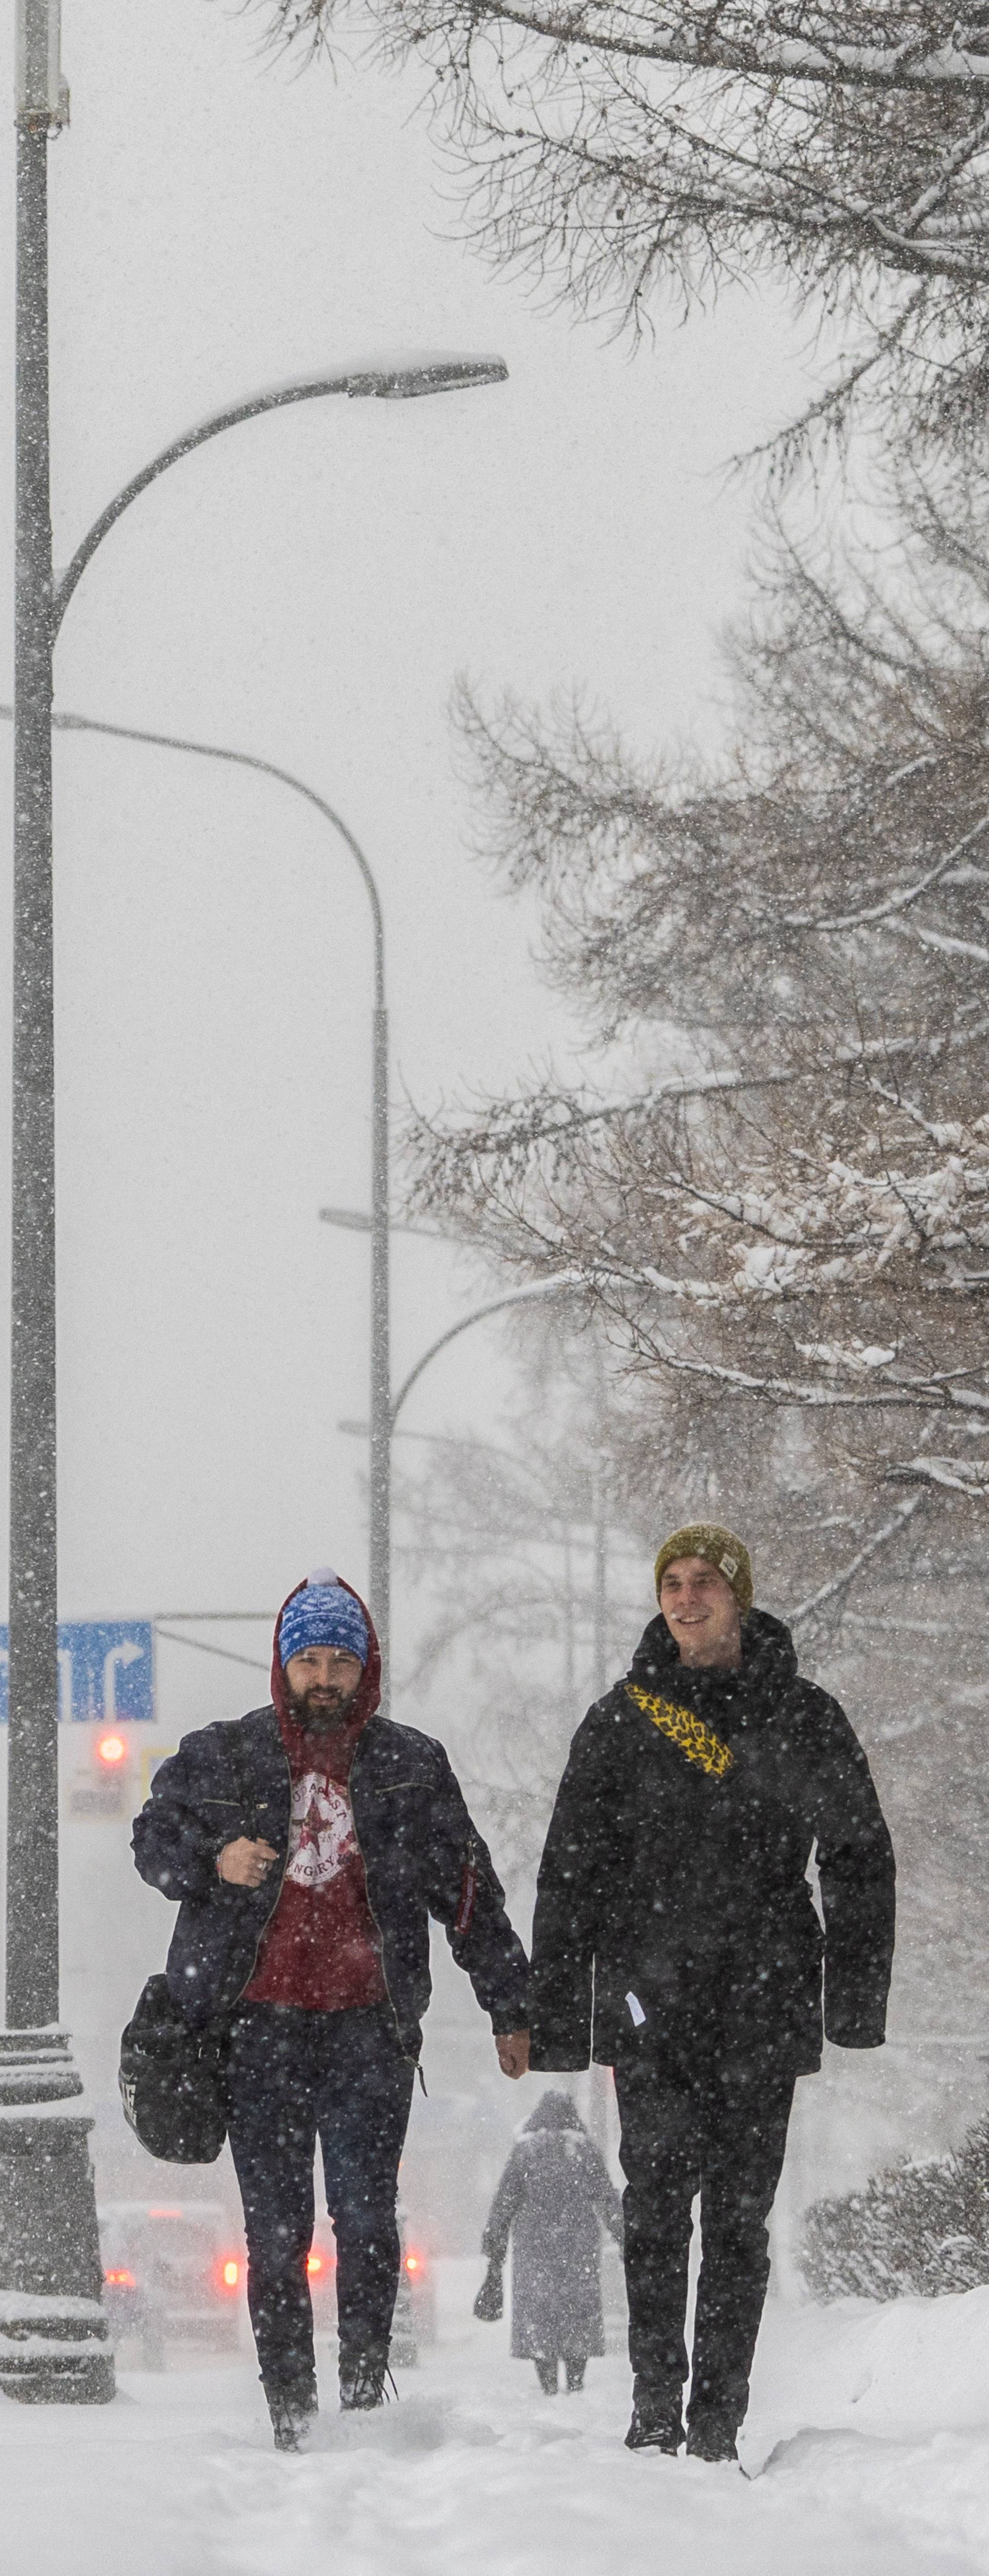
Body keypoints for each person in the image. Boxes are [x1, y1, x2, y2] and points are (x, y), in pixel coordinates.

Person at [132, 1567, 530, 2451]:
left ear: (365, 1670)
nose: (322, 1677)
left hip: (369, 2033)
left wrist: (509, 2004)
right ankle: (291, 2416)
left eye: (338, 1662)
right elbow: (151, 1838)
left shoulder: (409, 1766)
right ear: (282, 1665)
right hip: (255, 2032)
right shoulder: (223, 1755)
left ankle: (362, 2395)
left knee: (367, 2218)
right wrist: (211, 1857)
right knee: (276, 2235)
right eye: (307, 1659)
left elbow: (468, 1895)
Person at [524, 1522, 896, 2464]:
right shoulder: (621, 1721)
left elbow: (858, 1857)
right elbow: (570, 1872)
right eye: (673, 1585)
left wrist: (852, 2002)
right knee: (655, 2206)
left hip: (765, 2001)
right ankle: (655, 2408)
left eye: (705, 1584)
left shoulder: (805, 1716)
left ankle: (716, 2423)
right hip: (653, 2001)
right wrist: (561, 2020)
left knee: (737, 2220)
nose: (687, 1600)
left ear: (740, 1595)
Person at [474, 2089, 623, 2393]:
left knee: (540, 2315)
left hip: (535, 2248)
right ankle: (575, 2380)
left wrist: (494, 2247)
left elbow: (504, 2203)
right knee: (577, 2314)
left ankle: (548, 2383)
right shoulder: (583, 2149)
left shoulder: (525, 2151)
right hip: (578, 2246)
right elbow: (607, 2198)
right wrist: (625, 2237)